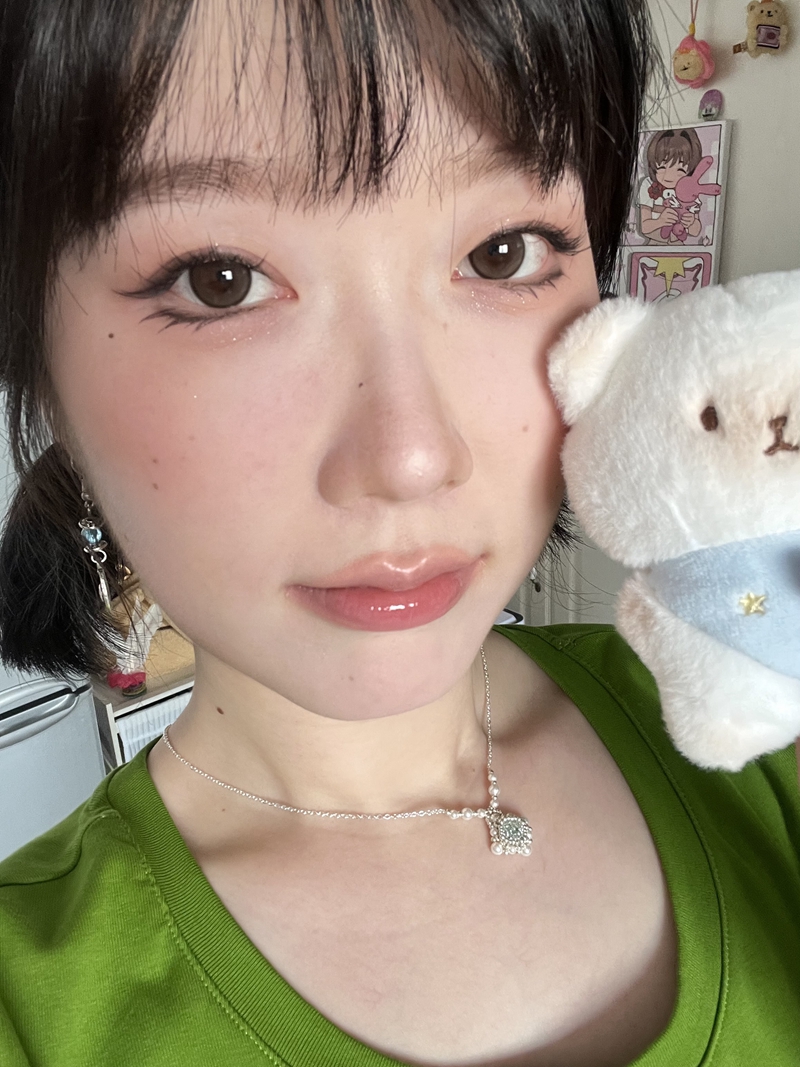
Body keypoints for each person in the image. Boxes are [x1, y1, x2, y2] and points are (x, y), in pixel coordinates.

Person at [0, 2, 798, 1066]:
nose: (412, 456)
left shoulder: (756, 723)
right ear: (41, 375)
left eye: (502, 253)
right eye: (220, 280)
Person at [637, 128, 704, 244]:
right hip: (654, 245)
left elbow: (696, 231)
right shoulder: (648, 184)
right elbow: (644, 227)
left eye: (680, 170)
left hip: (678, 245)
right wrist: (660, 221)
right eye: (662, 167)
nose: (669, 176)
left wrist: (691, 222)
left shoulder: (689, 187)